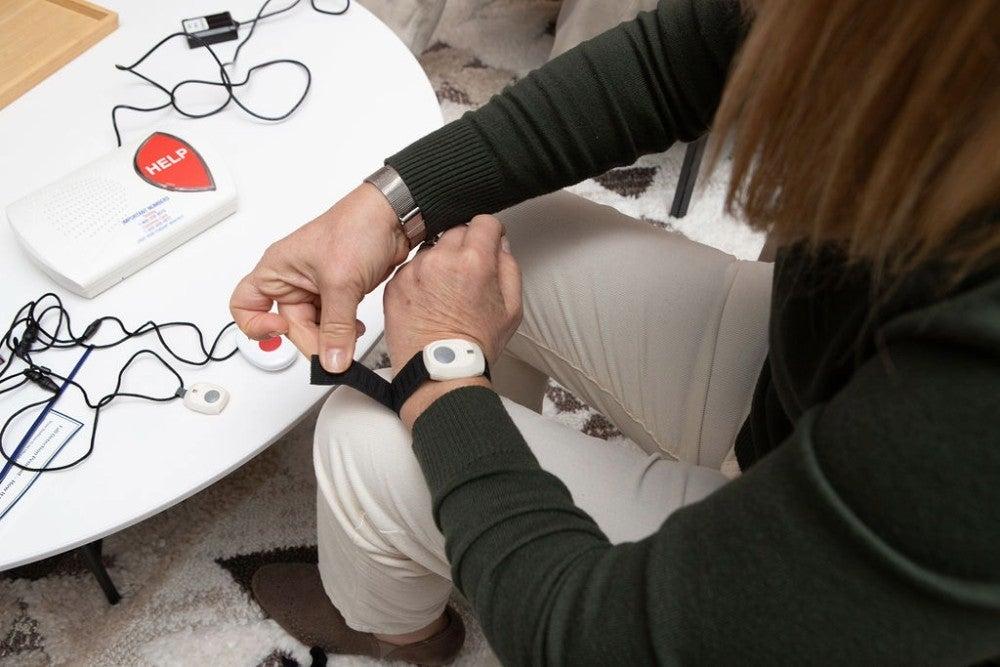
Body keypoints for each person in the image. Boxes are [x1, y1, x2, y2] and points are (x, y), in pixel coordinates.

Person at [230, 0, 1000, 663]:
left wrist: (444, 370)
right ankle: (467, 506)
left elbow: (598, 642)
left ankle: (403, 629)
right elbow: (679, 56)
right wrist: (385, 205)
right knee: (492, 237)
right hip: (813, 396)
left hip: (818, 587)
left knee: (362, 438)